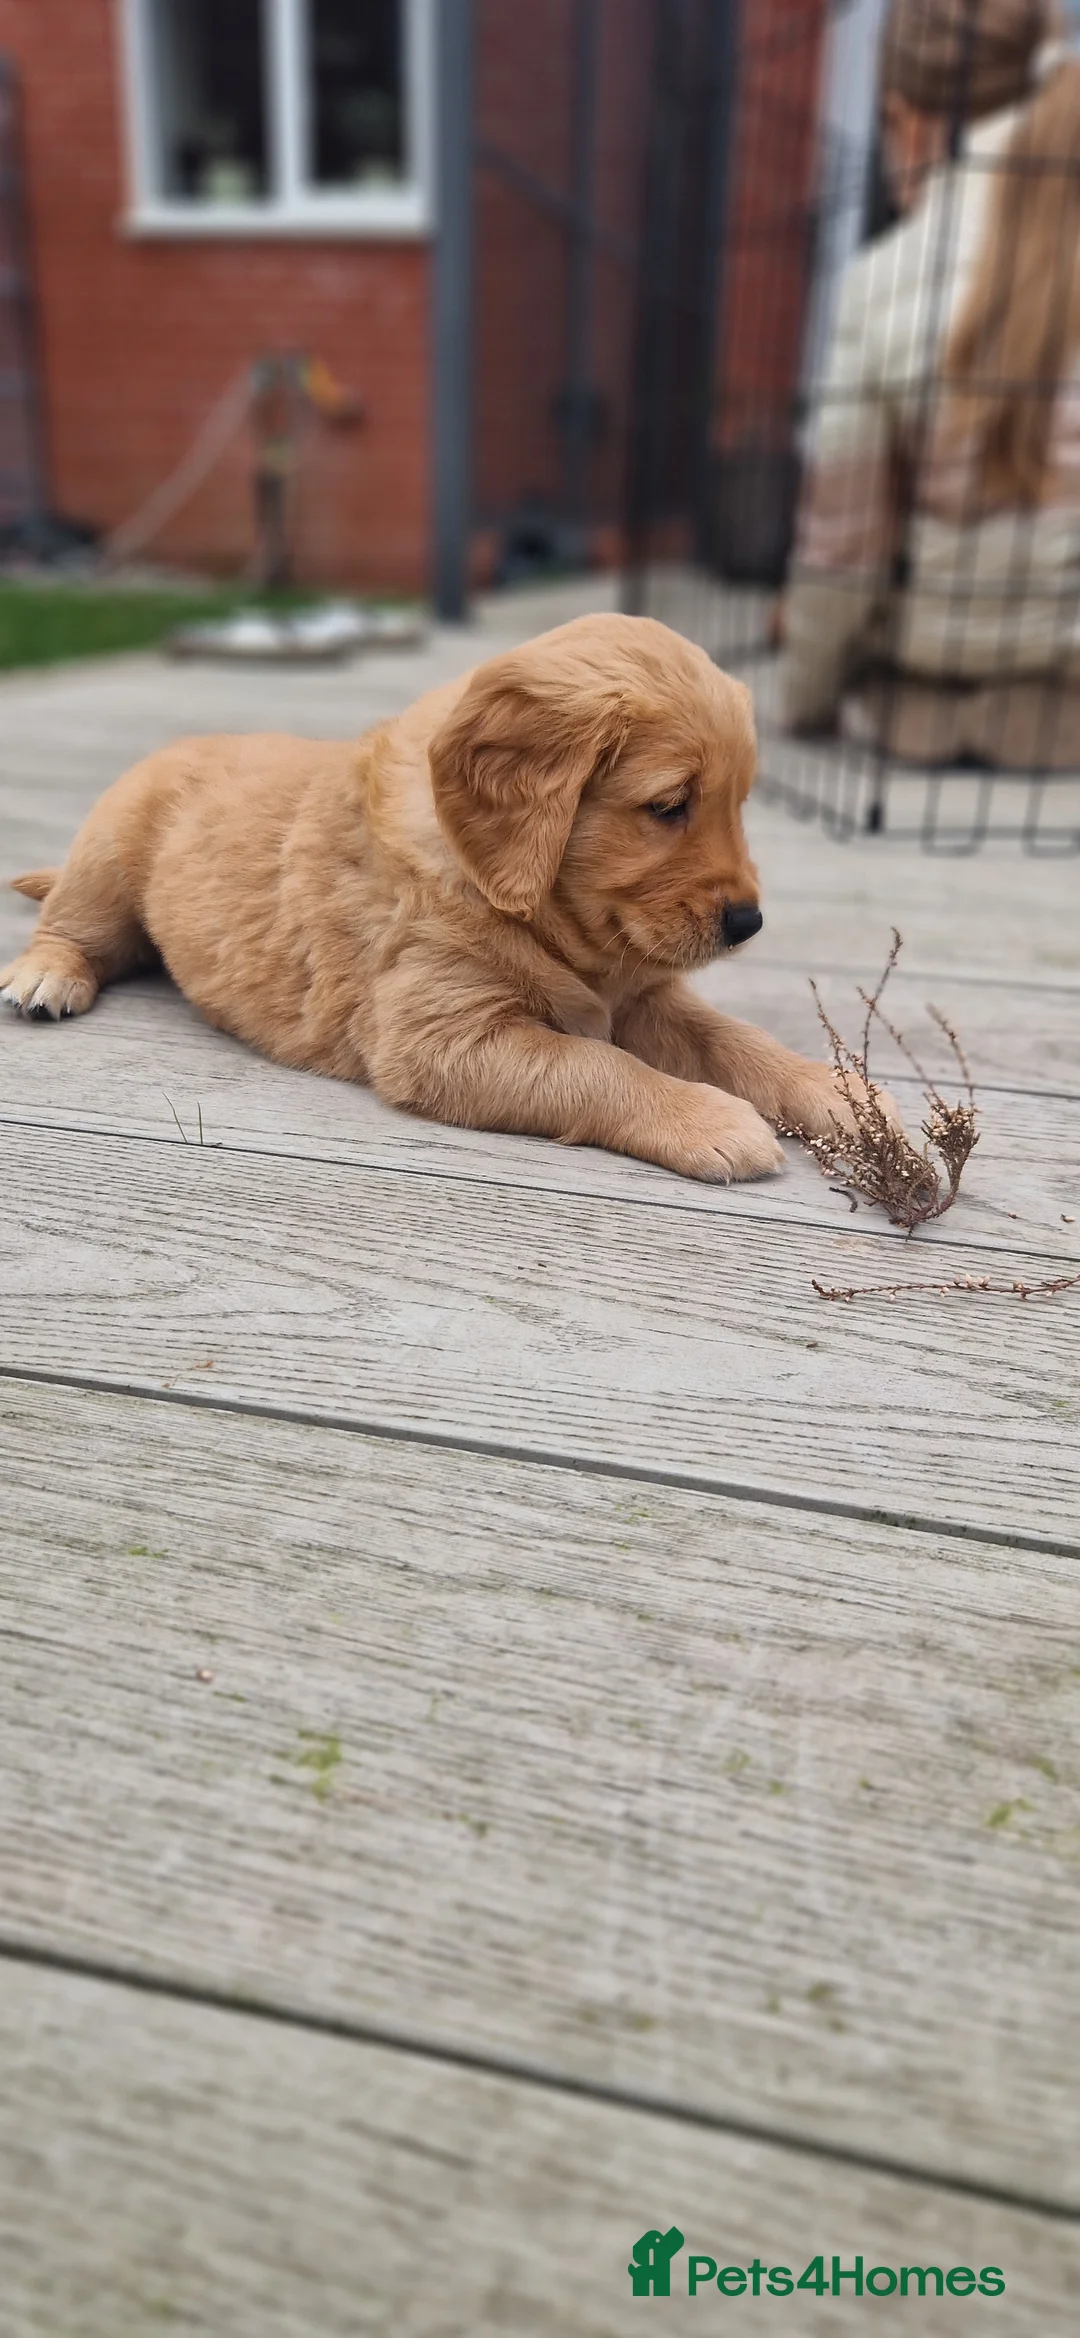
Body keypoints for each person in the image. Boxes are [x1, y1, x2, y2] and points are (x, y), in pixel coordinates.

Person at [781, 0, 1080, 769]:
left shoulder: (881, 282)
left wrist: (804, 700)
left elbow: (842, 555)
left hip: (916, 716)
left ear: (903, 121)